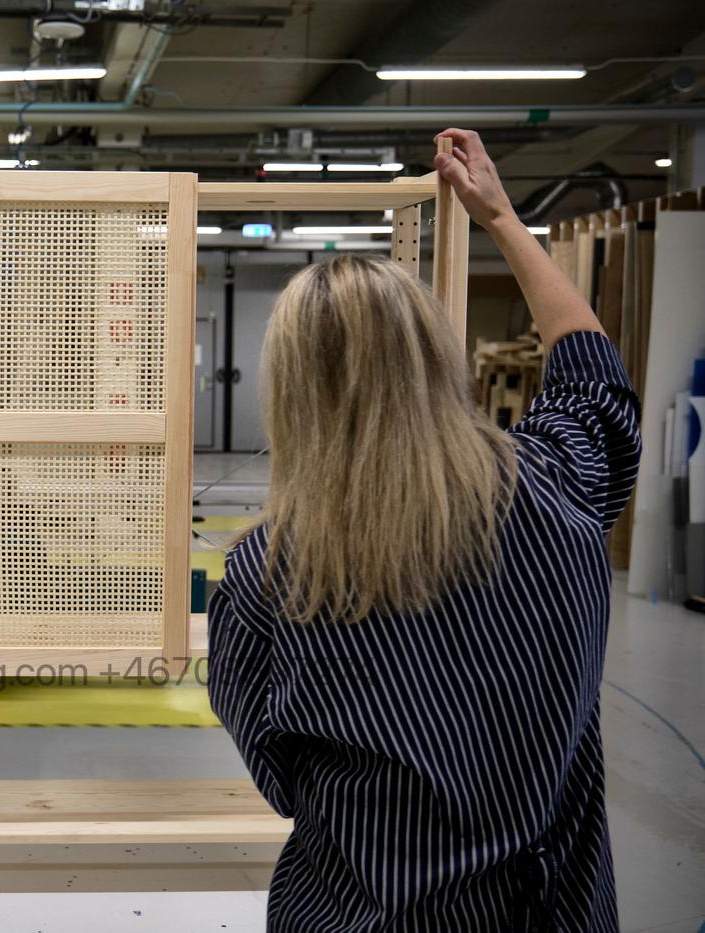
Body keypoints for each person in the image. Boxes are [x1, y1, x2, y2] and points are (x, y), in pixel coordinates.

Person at [207, 128, 641, 932]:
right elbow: (596, 380)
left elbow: (280, 777)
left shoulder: (266, 579)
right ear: (437, 358)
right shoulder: (557, 490)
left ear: (291, 396)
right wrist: (502, 218)